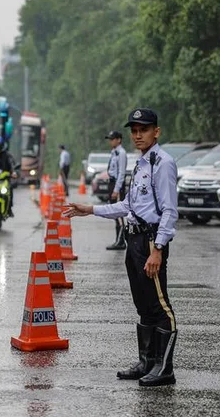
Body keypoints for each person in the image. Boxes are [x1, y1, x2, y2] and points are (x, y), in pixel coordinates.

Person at [63, 108, 179, 387]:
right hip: (134, 240)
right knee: (143, 305)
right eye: (134, 130)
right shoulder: (140, 164)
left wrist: (158, 249)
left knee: (160, 306)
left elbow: (170, 211)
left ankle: (165, 369)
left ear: (156, 132)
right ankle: (147, 363)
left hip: (151, 241)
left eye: (144, 129)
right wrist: (90, 209)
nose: (138, 135)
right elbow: (128, 206)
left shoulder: (163, 163)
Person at [105, 130, 128, 251]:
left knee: (118, 213)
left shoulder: (121, 153)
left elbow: (121, 173)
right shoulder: (114, 152)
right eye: (110, 139)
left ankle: (121, 241)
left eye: (112, 139)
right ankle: (118, 240)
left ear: (119, 139)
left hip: (116, 185)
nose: (111, 141)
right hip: (112, 183)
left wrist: (116, 189)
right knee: (114, 212)